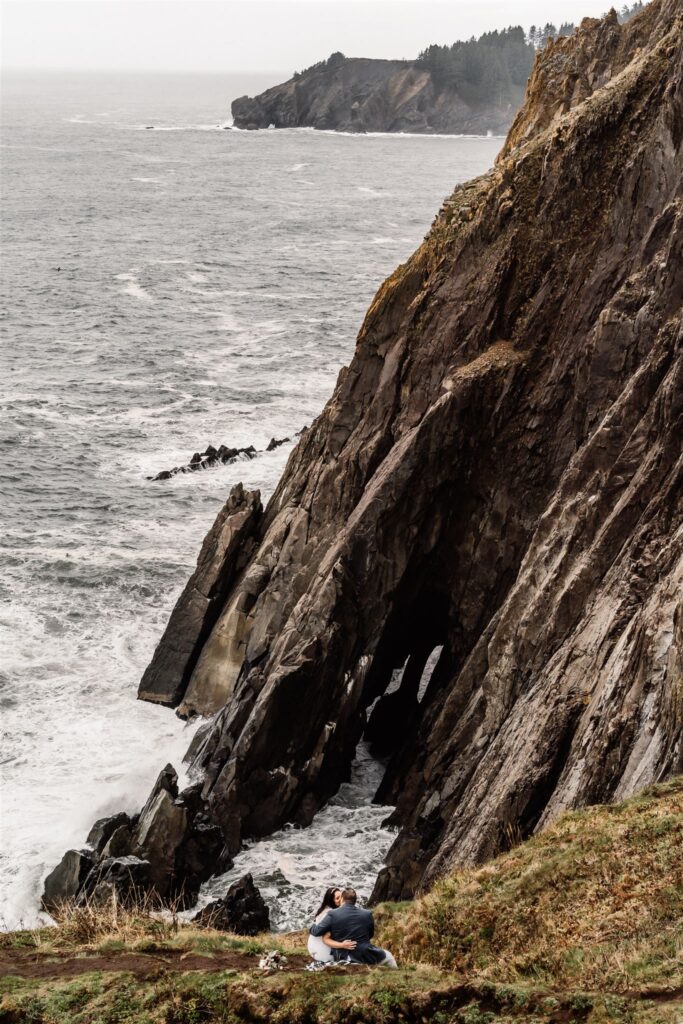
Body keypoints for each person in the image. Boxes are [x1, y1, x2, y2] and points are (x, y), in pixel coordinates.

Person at [309, 887, 398, 967]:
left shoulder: (332, 914)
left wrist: (313, 924)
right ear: (355, 900)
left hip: (343, 956)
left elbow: (317, 932)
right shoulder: (367, 914)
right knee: (389, 956)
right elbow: (370, 935)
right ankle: (396, 976)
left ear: (342, 899)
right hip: (364, 953)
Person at [307, 886, 357, 963]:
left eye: (341, 896)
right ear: (331, 901)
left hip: (314, 947)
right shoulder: (329, 913)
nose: (341, 900)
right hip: (321, 950)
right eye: (337, 898)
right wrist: (312, 928)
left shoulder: (332, 911)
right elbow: (317, 932)